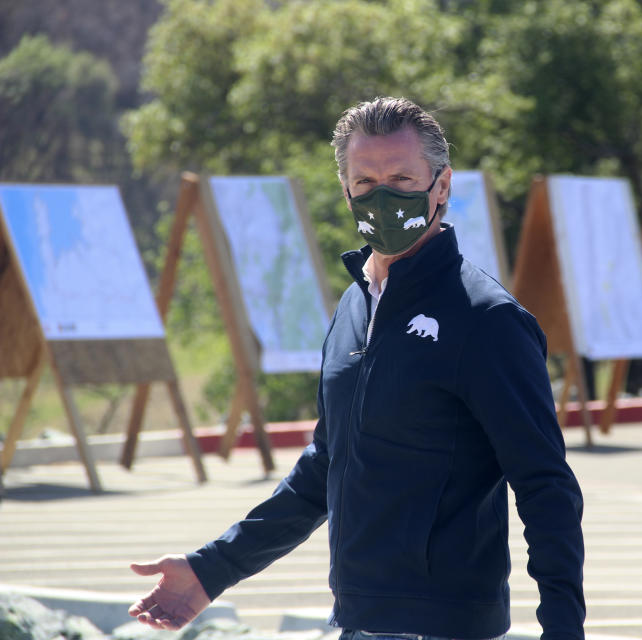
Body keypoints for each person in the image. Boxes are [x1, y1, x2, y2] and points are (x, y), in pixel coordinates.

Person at [128, 97, 586, 640]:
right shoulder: (356, 304)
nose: (383, 195)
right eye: (365, 181)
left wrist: (562, 630)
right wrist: (212, 570)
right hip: (359, 620)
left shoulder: (487, 319)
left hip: (443, 626)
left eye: (401, 177)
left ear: (441, 186)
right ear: (345, 189)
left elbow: (545, 485)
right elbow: (328, 463)